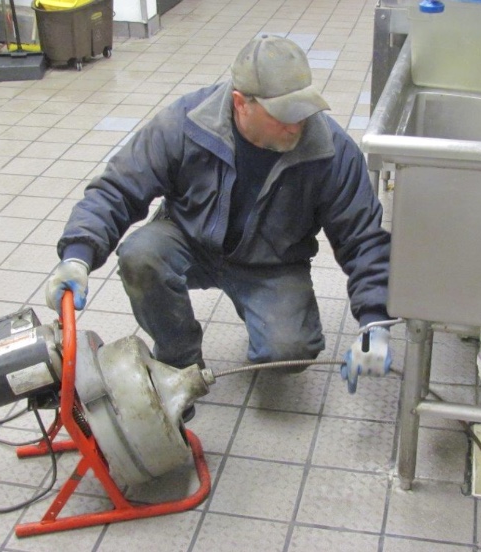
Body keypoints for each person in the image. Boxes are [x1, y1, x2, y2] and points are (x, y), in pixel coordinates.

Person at [45, 34, 393, 400]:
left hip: (271, 263)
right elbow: (118, 187)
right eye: (283, 116)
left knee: (290, 352)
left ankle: (261, 312)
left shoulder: (331, 152)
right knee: (141, 255)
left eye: (303, 110)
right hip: (190, 241)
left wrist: (375, 323)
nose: (296, 126)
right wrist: (76, 256)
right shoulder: (186, 124)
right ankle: (179, 362)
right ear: (241, 103)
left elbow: (363, 239)